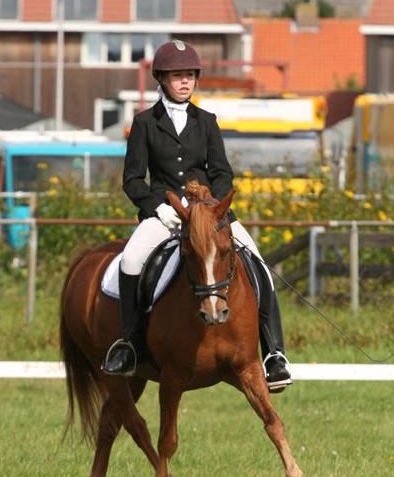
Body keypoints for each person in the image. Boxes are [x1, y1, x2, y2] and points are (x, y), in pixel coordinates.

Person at [101, 39, 292, 391]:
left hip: (210, 214)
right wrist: (156, 206)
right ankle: (130, 345)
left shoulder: (206, 121)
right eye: (177, 76)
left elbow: (222, 172)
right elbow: (132, 179)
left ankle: (274, 354)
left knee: (259, 264)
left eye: (189, 75)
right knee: (130, 261)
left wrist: (210, 208)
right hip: (164, 215)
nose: (185, 82)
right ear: (162, 79)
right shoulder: (144, 123)